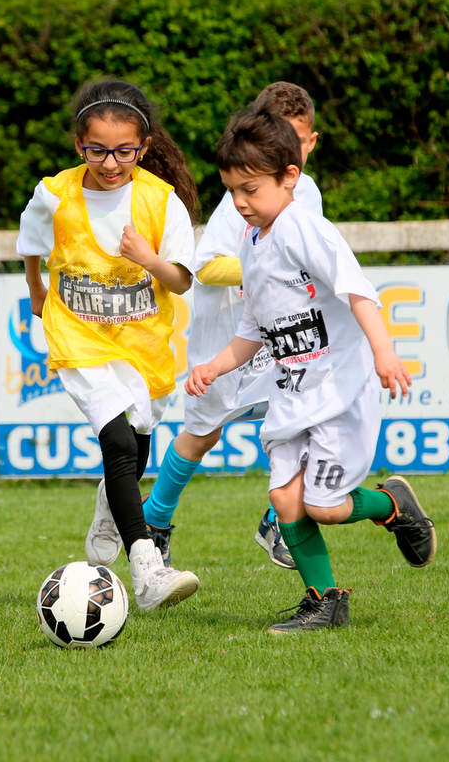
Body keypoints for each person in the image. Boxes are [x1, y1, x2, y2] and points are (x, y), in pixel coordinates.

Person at [187, 108, 436, 633]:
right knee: (283, 500)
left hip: (337, 391)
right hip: (291, 392)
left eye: (250, 190)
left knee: (323, 507)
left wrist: (384, 353)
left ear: (290, 177)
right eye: (232, 191)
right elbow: (253, 332)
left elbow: (358, 290)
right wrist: (214, 366)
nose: (240, 203)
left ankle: (393, 506)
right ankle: (324, 601)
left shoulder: (306, 228)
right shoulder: (250, 245)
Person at [18, 79, 201, 611]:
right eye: (97, 150)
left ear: (143, 147)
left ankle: (108, 510)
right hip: (77, 338)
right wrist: (36, 290)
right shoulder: (54, 194)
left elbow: (181, 280)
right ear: (79, 146)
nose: (111, 162)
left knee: (137, 444)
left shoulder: (160, 202)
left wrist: (148, 259)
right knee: (119, 444)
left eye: (124, 151)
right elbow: (31, 243)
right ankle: (148, 570)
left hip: (142, 346)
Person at [137, 82, 322, 570]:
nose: (291, 150)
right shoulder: (239, 200)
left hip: (280, 336)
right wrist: (266, 267)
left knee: (309, 417)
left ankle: (277, 519)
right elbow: (208, 265)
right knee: (201, 434)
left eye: (298, 139)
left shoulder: (309, 193)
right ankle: (154, 518)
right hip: (227, 335)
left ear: (310, 143)